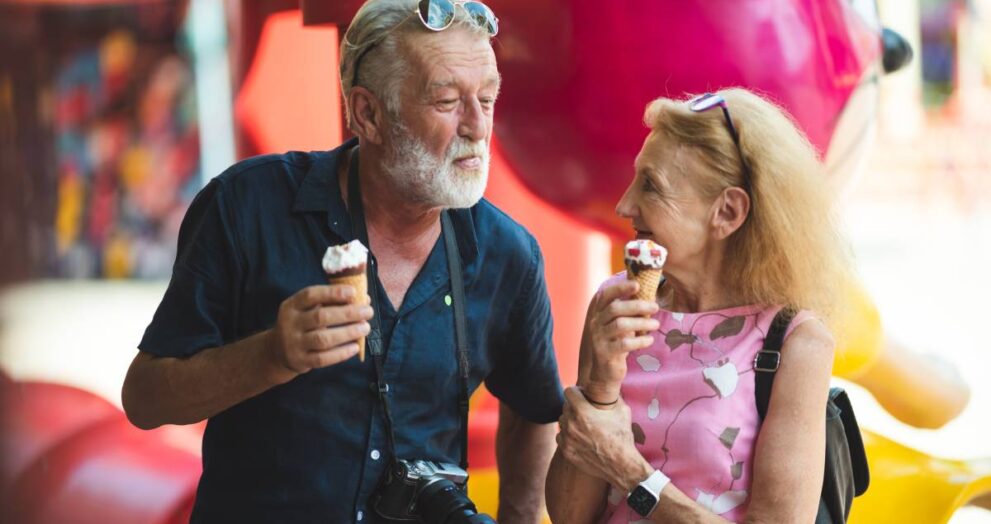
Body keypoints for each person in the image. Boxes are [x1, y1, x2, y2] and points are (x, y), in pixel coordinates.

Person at [120, 1, 564, 522]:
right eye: (447, 101)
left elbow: (535, 410)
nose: (477, 126)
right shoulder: (247, 206)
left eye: (487, 98)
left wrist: (518, 515)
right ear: (368, 113)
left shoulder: (508, 254)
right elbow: (145, 398)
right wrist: (271, 356)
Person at [545, 88, 854, 523]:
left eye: (651, 186)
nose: (624, 205)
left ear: (727, 212)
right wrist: (600, 385)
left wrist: (630, 473)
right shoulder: (617, 304)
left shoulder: (795, 344)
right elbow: (569, 517)